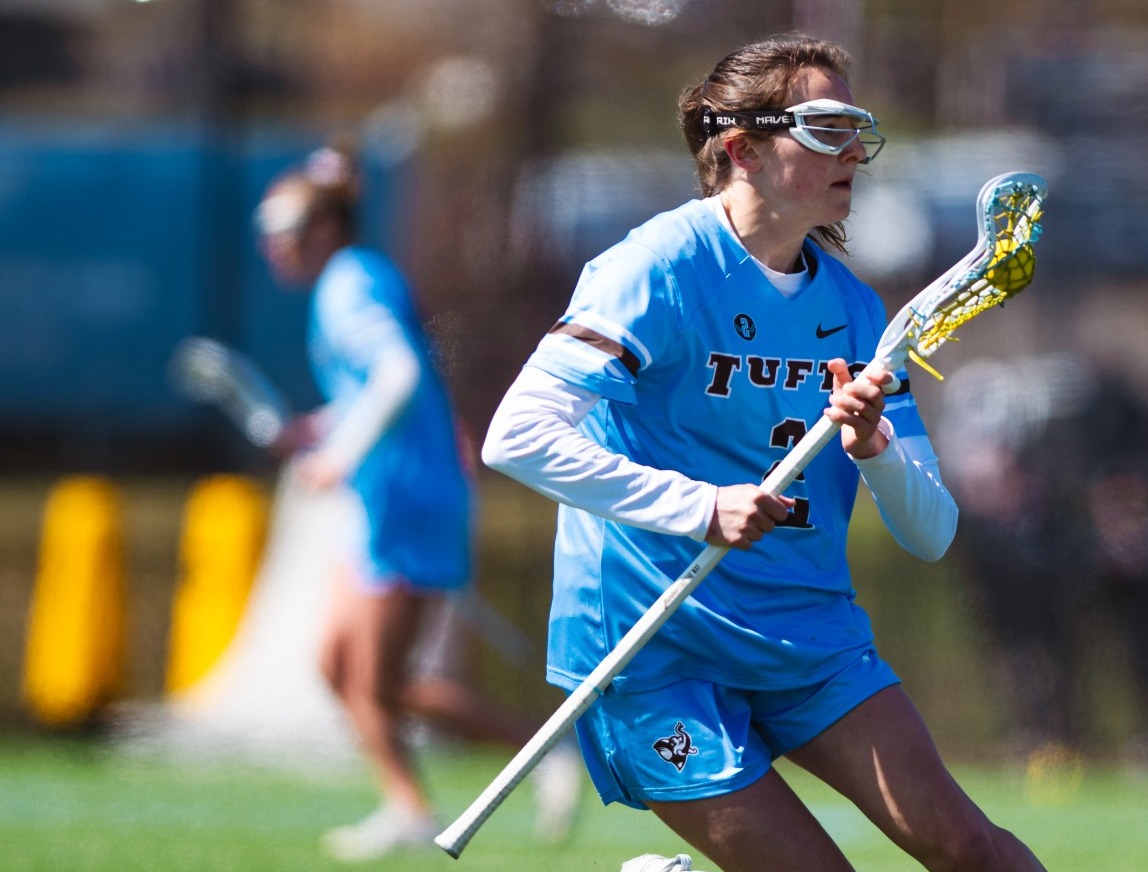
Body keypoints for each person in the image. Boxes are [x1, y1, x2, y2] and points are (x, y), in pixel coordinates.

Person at [482, 34, 1047, 872]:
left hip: (806, 638)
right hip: (654, 643)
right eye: (825, 128)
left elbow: (930, 532)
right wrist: (698, 506)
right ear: (741, 148)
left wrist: (873, 445)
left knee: (973, 850)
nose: (854, 149)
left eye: (858, 126)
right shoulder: (655, 268)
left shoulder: (855, 312)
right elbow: (515, 436)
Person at [254, 139, 579, 861]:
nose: (272, 248)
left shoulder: (347, 286)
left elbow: (397, 375)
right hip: (390, 496)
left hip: (406, 499)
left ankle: (539, 748)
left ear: (325, 228)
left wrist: (338, 452)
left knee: (379, 679)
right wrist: (324, 425)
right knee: (341, 669)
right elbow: (380, 388)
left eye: (283, 232)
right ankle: (409, 800)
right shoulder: (355, 279)